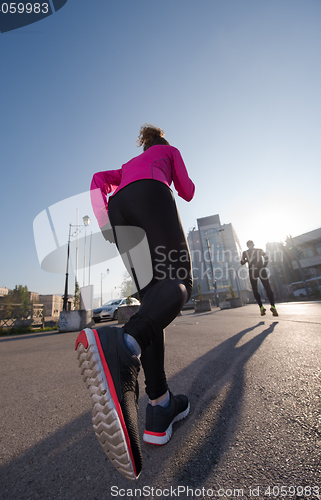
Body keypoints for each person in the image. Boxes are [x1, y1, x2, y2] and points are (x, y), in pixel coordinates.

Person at [75, 124, 195, 481]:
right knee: (179, 280)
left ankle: (159, 406)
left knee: (153, 299)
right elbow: (187, 191)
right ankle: (125, 343)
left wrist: (106, 224)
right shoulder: (167, 152)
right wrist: (173, 175)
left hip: (119, 210)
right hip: (151, 197)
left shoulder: (128, 165)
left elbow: (98, 178)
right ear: (162, 143)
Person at [241, 240, 278, 317]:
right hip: (261, 271)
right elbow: (266, 258)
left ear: (247, 246)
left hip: (252, 272)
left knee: (255, 289)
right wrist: (263, 266)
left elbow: (242, 262)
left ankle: (261, 307)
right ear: (253, 245)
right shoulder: (259, 250)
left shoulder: (245, 253)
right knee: (267, 288)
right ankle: (273, 306)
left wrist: (246, 260)